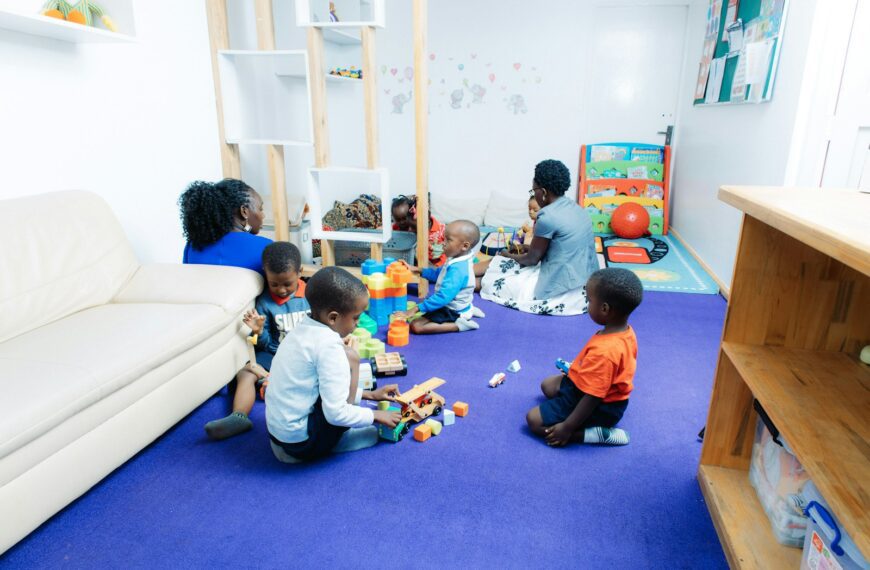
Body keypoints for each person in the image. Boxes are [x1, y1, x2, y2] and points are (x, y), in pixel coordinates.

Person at [266, 267, 402, 463]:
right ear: (333, 318)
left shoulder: (301, 330)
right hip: (302, 444)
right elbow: (336, 413)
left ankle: (297, 444)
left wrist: (369, 395)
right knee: (351, 357)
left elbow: (316, 386)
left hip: (281, 434)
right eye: (356, 317)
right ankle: (339, 440)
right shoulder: (329, 348)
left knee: (345, 357)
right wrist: (375, 415)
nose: (358, 323)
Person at [204, 242, 310, 440]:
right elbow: (265, 344)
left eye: (287, 283)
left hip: (306, 355)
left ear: (299, 272)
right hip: (274, 353)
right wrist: (259, 331)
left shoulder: (311, 296)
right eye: (274, 284)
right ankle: (239, 416)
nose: (282, 290)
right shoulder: (264, 303)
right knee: (246, 372)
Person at [526, 268, 642, 447]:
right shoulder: (624, 330)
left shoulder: (606, 351)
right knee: (548, 385)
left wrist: (567, 427)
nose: (587, 303)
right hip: (592, 389)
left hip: (602, 406)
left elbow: (593, 397)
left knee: (533, 420)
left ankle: (593, 434)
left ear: (605, 309)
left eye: (589, 300)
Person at [478, 159, 598, 316]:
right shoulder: (576, 208)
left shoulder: (547, 216)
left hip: (560, 289)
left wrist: (506, 254)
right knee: (499, 263)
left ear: (544, 191)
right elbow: (559, 247)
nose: (534, 194)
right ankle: (448, 275)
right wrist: (525, 249)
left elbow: (531, 260)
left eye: (533, 191)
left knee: (494, 273)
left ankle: (449, 278)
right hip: (585, 285)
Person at [400, 220, 480, 335]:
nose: (443, 243)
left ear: (465, 246)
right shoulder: (458, 257)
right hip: (455, 302)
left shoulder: (458, 269)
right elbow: (438, 273)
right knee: (427, 305)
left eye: (448, 240)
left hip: (451, 309)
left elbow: (443, 297)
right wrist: (417, 269)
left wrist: (415, 309)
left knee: (416, 326)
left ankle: (459, 324)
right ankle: (468, 309)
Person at [179, 178, 271, 275]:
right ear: (244, 211)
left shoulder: (192, 247)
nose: (263, 215)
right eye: (260, 208)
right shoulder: (267, 248)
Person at [391, 194, 447, 266]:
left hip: (435, 267)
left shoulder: (442, 231)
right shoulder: (402, 227)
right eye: (398, 219)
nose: (402, 223)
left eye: (404, 218)